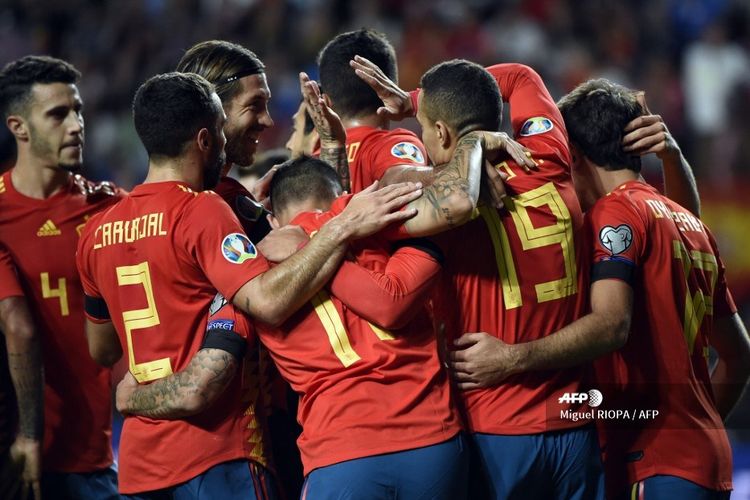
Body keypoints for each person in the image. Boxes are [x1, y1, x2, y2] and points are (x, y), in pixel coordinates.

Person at [76, 72, 422, 498]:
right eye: (221, 130)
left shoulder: (97, 231)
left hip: (139, 464)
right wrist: (342, 228)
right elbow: (268, 301)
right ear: (205, 140)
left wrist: (136, 390)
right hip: (216, 454)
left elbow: (103, 349)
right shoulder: (202, 210)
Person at [545, 78, 747, 499]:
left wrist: (509, 359)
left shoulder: (612, 215)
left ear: (575, 157)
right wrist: (697, 423)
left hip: (655, 462)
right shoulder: (690, 224)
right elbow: (739, 354)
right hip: (700, 458)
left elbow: (611, 325)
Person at [252, 156, 467, 499]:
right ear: (347, 194)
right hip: (431, 438)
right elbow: (458, 199)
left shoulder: (256, 271)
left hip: (339, 451)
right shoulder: (389, 228)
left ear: (275, 220)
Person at [0, 55, 123, 499]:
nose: (76, 125)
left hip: (92, 455)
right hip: (15, 453)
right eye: (58, 114)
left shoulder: (109, 209)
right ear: (19, 127)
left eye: (79, 111)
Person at [176, 40, 276, 241]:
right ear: (213, 110)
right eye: (254, 105)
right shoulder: (219, 204)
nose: (268, 121)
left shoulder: (127, 218)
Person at [317, 29, 431, 193]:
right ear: (390, 88)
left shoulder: (312, 164)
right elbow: (408, 184)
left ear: (326, 103)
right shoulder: (391, 145)